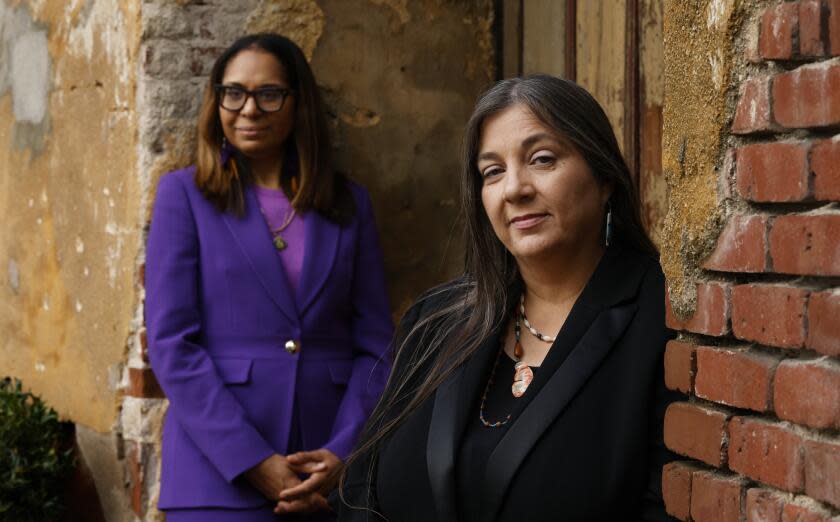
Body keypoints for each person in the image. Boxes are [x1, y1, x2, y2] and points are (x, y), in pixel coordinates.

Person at [333, 75, 679, 522]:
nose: (514, 189)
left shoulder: (659, 321)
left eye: (542, 159)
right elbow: (361, 489)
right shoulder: (435, 321)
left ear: (604, 176)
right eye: (492, 171)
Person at [145, 33, 393, 521]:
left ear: (298, 103)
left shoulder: (348, 204)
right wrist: (253, 461)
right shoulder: (184, 197)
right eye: (233, 93)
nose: (248, 109)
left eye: (269, 94)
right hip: (217, 476)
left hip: (323, 477)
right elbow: (172, 344)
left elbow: (376, 345)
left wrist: (344, 451)